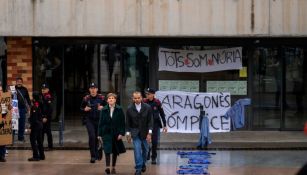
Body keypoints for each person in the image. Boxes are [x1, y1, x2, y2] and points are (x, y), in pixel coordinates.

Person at [126, 91, 153, 175]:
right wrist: (128, 134)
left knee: (145, 150)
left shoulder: (147, 107)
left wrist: (149, 133)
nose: (137, 99)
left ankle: (143, 163)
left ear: (141, 98)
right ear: (133, 99)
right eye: (135, 98)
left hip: (145, 133)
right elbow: (127, 123)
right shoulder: (129, 108)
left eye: (138, 98)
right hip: (135, 133)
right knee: (137, 150)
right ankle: (138, 168)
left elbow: (150, 121)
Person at [98, 93, 126, 174]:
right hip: (106, 133)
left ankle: (113, 166)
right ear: (107, 100)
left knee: (114, 151)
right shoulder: (103, 110)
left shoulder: (119, 109)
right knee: (107, 150)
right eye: (109, 98)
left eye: (112, 98)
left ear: (115, 100)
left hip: (116, 133)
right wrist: (99, 135)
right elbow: (101, 123)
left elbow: (122, 123)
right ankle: (107, 167)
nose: (111, 99)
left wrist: (121, 133)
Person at [80, 82, 106, 163]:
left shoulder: (102, 98)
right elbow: (81, 108)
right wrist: (84, 109)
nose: (93, 90)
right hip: (89, 120)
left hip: (99, 120)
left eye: (94, 88)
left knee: (98, 137)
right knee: (92, 136)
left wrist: (103, 107)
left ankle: (99, 152)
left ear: (97, 89)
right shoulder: (86, 98)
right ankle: (93, 156)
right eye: (91, 88)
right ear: (89, 90)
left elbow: (108, 107)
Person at [143, 88, 167, 164]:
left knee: (154, 142)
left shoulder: (157, 102)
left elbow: (162, 114)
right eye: (146, 94)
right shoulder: (144, 101)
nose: (147, 95)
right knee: (146, 141)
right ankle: (147, 152)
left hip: (155, 124)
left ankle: (153, 157)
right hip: (146, 124)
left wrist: (165, 125)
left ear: (153, 94)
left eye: (149, 94)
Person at [28, 92, 45, 161]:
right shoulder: (39, 104)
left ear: (34, 98)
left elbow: (34, 119)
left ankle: (36, 156)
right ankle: (42, 155)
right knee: (39, 141)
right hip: (40, 125)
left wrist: (30, 127)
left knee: (33, 140)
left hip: (36, 126)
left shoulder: (34, 106)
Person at [15, 77, 31, 142]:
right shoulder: (13, 89)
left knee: (22, 123)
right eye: (18, 81)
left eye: (20, 81)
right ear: (16, 82)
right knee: (14, 124)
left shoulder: (25, 89)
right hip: (15, 109)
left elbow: (27, 98)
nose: (19, 82)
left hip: (22, 108)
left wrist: (29, 106)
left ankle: (21, 137)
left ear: (22, 82)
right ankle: (12, 138)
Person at [41, 83, 53, 151]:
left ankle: (50, 146)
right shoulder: (42, 96)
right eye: (42, 89)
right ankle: (40, 145)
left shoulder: (48, 97)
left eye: (44, 89)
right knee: (41, 132)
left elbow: (50, 109)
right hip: (42, 117)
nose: (43, 90)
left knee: (48, 132)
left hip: (47, 117)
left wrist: (46, 117)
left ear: (48, 90)